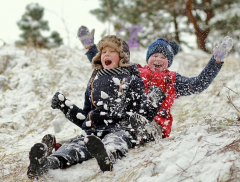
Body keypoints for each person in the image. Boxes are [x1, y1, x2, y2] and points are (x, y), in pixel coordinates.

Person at [27, 35, 165, 180]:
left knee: (115, 140)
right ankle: (47, 163)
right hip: (93, 132)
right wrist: (65, 107)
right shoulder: (93, 83)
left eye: (112, 51)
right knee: (74, 147)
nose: (106, 54)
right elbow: (85, 117)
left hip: (120, 129)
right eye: (103, 52)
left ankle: (107, 157)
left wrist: (153, 104)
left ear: (123, 57)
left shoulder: (132, 80)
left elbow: (140, 113)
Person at [78, 26, 233, 138]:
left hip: (156, 123)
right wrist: (91, 48)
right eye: (155, 55)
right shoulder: (135, 71)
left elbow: (199, 84)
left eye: (163, 57)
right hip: (130, 117)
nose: (158, 59)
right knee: (115, 124)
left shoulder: (172, 80)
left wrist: (216, 61)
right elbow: (109, 63)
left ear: (169, 62)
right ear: (148, 58)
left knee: (143, 128)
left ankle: (139, 132)